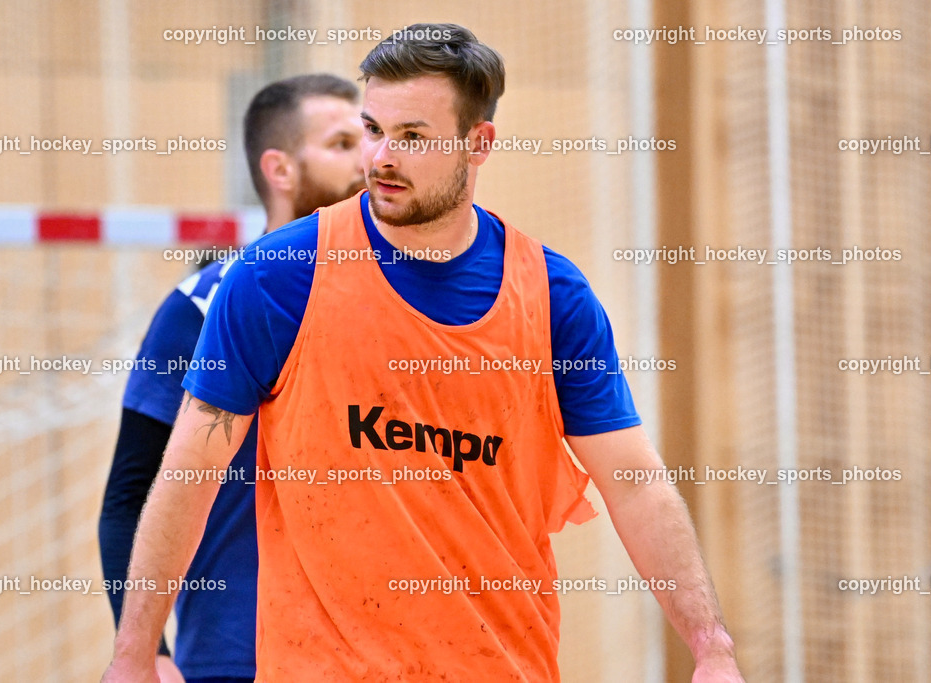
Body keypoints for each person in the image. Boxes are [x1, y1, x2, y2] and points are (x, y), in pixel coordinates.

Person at [103, 24, 744, 682]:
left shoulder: (554, 298)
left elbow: (634, 481)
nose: (380, 156)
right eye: (373, 129)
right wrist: (135, 656)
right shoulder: (275, 279)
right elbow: (189, 468)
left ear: (479, 143)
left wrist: (711, 645)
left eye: (412, 137)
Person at [97, 73, 365, 683]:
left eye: (369, 139)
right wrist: (147, 653)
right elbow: (126, 497)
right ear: (280, 169)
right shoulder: (202, 305)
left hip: (379, 655)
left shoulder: (396, 310)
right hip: (237, 655)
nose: (368, 161)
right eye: (342, 144)